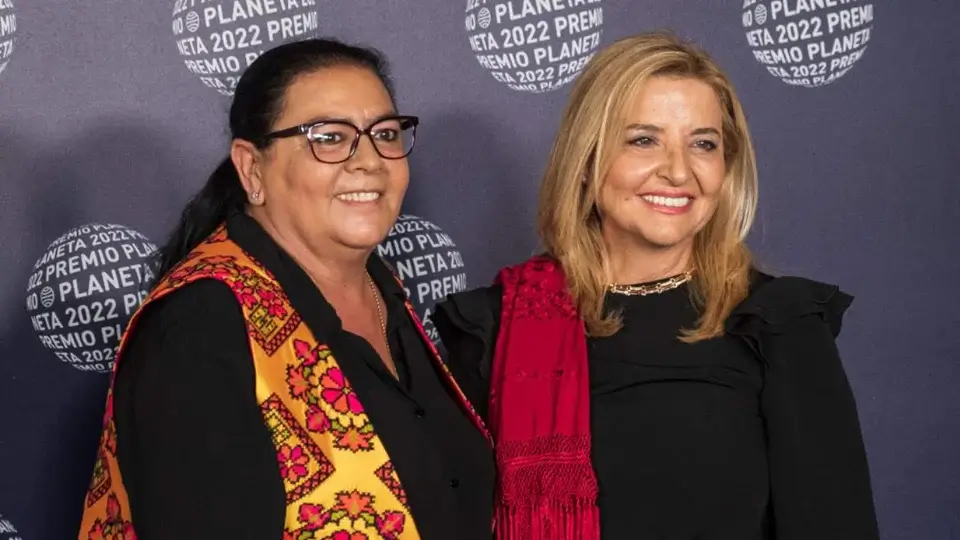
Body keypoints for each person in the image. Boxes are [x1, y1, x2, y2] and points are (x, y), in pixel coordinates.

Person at [433, 32, 879, 540]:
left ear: (725, 168)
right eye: (644, 139)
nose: (677, 170)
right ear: (586, 161)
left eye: (703, 144)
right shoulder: (495, 326)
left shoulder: (778, 322)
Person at [78, 38, 494, 540]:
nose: (369, 160)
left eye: (384, 133)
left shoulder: (388, 296)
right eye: (329, 137)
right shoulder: (201, 325)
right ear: (253, 168)